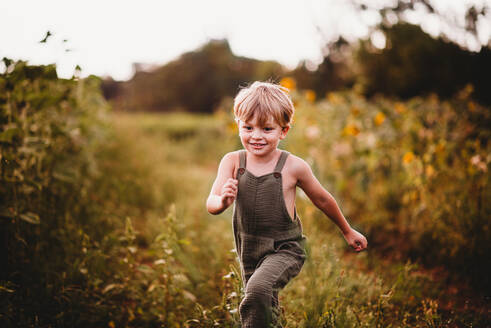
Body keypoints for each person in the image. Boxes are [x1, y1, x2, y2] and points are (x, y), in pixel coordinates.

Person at [206, 81, 367, 327]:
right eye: (248, 127)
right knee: (264, 304)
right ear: (238, 125)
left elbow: (322, 199)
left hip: (286, 248)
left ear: (283, 131)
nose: (256, 136)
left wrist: (347, 230)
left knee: (257, 293)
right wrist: (224, 201)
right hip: (249, 248)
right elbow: (211, 202)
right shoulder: (232, 162)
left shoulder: (294, 167)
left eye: (267, 129)